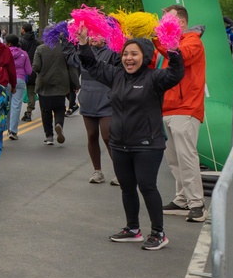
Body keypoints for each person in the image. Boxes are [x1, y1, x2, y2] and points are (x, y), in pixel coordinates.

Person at [78, 33, 183, 250]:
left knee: (147, 186)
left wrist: (173, 49)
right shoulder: (116, 75)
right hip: (119, 143)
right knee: (127, 187)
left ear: (144, 57)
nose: (128, 58)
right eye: (125, 54)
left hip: (147, 144)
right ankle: (132, 228)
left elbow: (176, 73)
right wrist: (82, 43)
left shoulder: (155, 78)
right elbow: (91, 64)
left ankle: (158, 233)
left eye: (134, 54)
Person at [155, 5, 208, 223]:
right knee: (174, 160)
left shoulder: (192, 40)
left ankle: (197, 204)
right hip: (168, 107)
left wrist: (161, 39)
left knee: (186, 158)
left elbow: (181, 56)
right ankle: (182, 199)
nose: (163, 23)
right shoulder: (169, 44)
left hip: (186, 108)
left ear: (182, 22)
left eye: (169, 20)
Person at [77, 33, 118, 184]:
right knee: (92, 135)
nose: (93, 38)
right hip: (87, 99)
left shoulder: (113, 52)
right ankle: (97, 171)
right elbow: (70, 59)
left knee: (108, 137)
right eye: (91, 35)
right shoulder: (83, 50)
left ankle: (120, 172)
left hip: (106, 100)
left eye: (98, 34)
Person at [32, 34, 73, 146]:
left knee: (45, 110)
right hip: (61, 82)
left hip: (44, 83)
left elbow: (36, 66)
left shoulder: (40, 49)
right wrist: (75, 84)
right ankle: (59, 124)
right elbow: (71, 66)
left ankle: (49, 136)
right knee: (60, 108)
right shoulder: (64, 48)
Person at [5, 34, 31, 140]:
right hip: (19, 80)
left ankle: (6, 128)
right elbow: (29, 71)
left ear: (9, 43)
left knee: (6, 104)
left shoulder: (5, 53)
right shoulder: (24, 54)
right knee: (16, 105)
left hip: (6, 80)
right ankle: (13, 130)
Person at [19, 23, 40, 121]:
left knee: (18, 91)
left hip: (22, 69)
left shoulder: (21, 41)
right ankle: (29, 111)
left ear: (23, 30)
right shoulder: (37, 42)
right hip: (33, 68)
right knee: (31, 91)